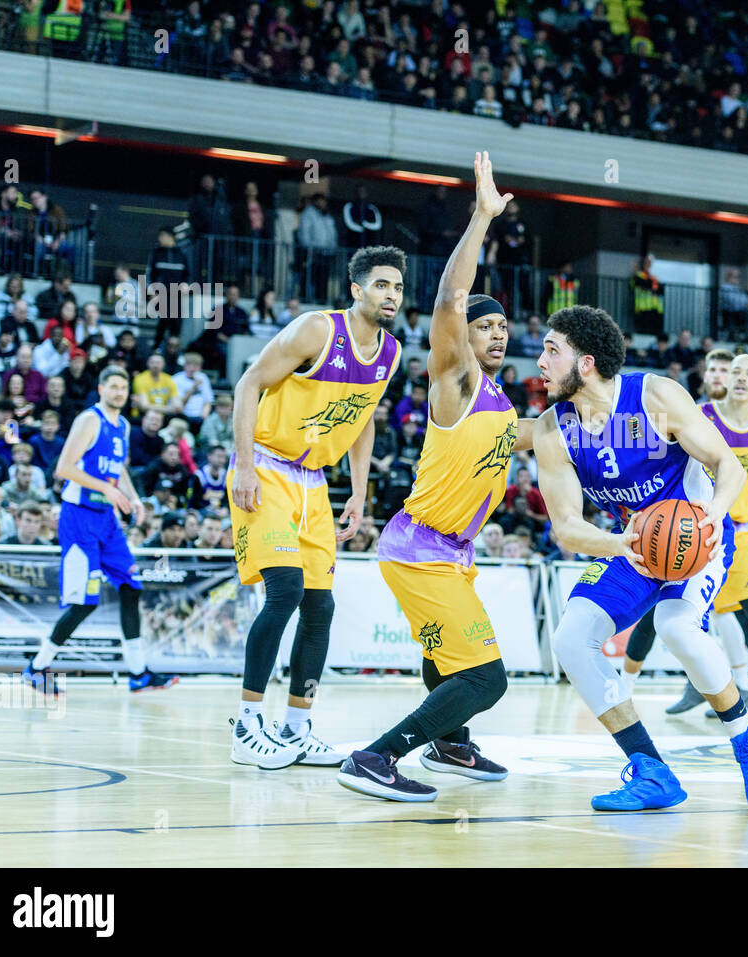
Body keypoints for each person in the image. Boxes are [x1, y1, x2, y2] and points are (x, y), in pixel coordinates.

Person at [532, 303, 748, 814]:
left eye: (551, 350)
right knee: (570, 638)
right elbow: (566, 526)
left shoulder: (654, 396)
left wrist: (713, 513)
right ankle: (651, 770)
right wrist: (618, 544)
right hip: (630, 544)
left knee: (676, 625)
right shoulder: (550, 430)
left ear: (584, 363)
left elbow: (726, 463)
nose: (540, 361)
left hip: (698, 536)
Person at [339, 153, 528, 802]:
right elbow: (450, 296)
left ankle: (452, 739)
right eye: (483, 326)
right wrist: (481, 217)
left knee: (444, 656)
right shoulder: (456, 379)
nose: (496, 334)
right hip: (421, 548)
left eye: (502, 325)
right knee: (485, 676)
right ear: (460, 338)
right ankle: (375, 755)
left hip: (452, 550)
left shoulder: (502, 402)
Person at [227, 245, 402, 769]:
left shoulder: (390, 353)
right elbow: (248, 383)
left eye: (396, 286)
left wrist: (359, 491)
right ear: (356, 289)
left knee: (320, 607)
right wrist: (242, 465)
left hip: (315, 482)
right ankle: (246, 723)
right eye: (381, 285)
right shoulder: (316, 330)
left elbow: (363, 419)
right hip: (268, 464)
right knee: (284, 592)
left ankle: (297, 727)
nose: (391, 295)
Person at [623, 354, 748, 737]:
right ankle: (624, 692)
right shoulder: (700, 414)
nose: (742, 379)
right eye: (736, 372)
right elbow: (655, 458)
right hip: (690, 529)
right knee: (652, 616)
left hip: (740, 536)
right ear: (723, 379)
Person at [22, 366, 178, 695]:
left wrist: (134, 499)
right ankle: (37, 668)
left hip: (106, 520)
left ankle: (139, 674)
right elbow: (63, 468)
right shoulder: (89, 420)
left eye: (124, 387)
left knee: (131, 587)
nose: (120, 392)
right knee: (84, 602)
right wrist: (108, 490)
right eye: (114, 386)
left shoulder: (122, 425)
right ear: (102, 388)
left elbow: (117, 468)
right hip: (79, 518)